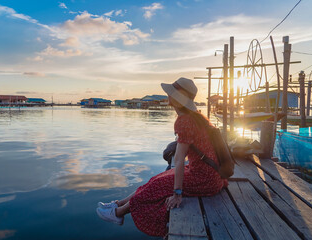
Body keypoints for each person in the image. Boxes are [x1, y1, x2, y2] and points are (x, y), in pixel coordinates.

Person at [96, 77, 228, 237]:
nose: (168, 96)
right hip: (212, 175)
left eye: (171, 93)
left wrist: (177, 193)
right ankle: (118, 203)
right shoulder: (195, 116)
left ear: (178, 99)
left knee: (156, 186)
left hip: (204, 179)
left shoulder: (184, 121)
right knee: (155, 179)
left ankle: (118, 213)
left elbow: (179, 159)